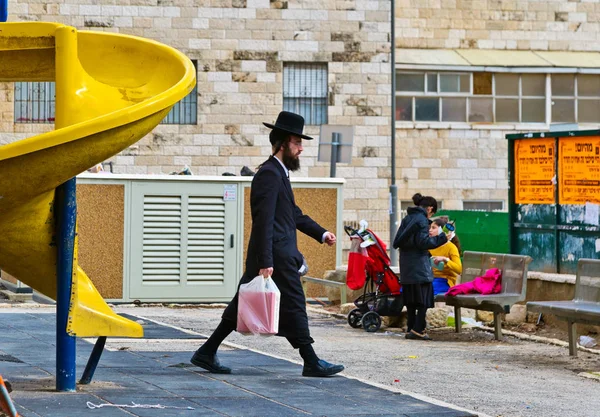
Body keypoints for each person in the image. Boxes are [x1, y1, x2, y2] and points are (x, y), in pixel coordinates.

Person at [190, 111, 344, 377]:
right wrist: (266, 262)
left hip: (273, 255)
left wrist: (322, 233)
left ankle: (206, 352)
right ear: (283, 143)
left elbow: (292, 213)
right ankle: (311, 360)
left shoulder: (279, 174)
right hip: (275, 256)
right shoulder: (269, 174)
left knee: (241, 304)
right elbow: (263, 221)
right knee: (294, 304)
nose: (301, 148)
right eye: (297, 142)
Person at [392, 193, 450, 340]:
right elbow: (423, 243)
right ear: (430, 208)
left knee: (411, 299)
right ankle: (418, 329)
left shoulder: (408, 218)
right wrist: (443, 238)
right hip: (419, 265)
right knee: (424, 298)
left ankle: (411, 327)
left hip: (406, 264)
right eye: (433, 212)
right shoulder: (422, 221)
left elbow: (399, 241)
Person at [429, 217, 462, 295]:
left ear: (442, 230)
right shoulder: (429, 244)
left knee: (426, 290)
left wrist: (445, 259)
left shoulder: (451, 247)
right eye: (430, 227)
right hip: (429, 278)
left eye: (433, 228)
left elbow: (459, 269)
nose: (430, 230)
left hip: (445, 281)